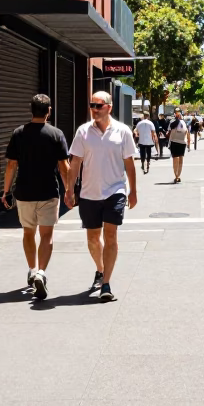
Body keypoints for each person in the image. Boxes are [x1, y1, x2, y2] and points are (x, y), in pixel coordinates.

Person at [66, 91, 139, 303]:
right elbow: (75, 162)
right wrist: (70, 190)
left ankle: (106, 283)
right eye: (92, 105)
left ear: (109, 107)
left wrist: (133, 190)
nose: (94, 109)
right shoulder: (83, 132)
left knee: (110, 236)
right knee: (92, 239)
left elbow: (129, 164)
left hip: (114, 191)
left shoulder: (123, 131)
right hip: (89, 193)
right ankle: (100, 269)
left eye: (98, 105)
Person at [2, 94, 71, 300]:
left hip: (24, 192)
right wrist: (69, 191)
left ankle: (32, 270)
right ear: (48, 111)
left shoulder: (18, 134)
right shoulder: (56, 134)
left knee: (28, 233)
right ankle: (41, 272)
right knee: (47, 235)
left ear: (31, 110)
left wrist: (5, 191)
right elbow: (63, 166)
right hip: (48, 191)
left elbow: (11, 165)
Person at [167, 109, 189, 183]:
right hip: (181, 142)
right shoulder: (183, 122)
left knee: (176, 158)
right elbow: (186, 132)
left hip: (175, 141)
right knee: (179, 158)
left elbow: (169, 131)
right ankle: (177, 175)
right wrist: (188, 142)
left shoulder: (173, 121)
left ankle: (177, 175)